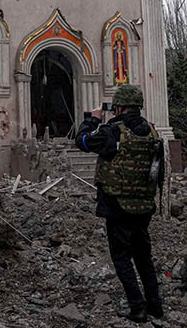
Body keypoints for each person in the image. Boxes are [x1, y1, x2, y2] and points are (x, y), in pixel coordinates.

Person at [74, 84, 166, 323]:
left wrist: (92, 120)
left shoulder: (112, 132)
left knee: (122, 257)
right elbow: (159, 172)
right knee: (143, 256)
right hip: (144, 204)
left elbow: (82, 141)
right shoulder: (152, 132)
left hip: (118, 204)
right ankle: (155, 304)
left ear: (120, 108)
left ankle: (138, 307)